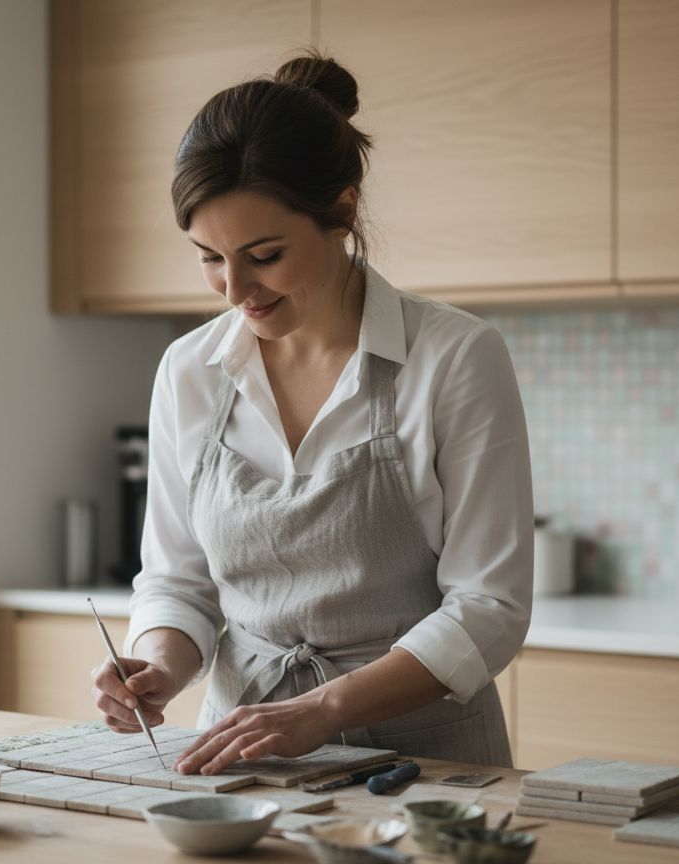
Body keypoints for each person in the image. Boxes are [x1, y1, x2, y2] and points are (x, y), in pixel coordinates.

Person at [91, 53, 533, 777]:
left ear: (343, 211)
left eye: (264, 255)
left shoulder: (454, 357)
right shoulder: (189, 370)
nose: (235, 289)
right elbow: (177, 582)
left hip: (423, 764)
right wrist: (159, 667)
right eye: (209, 258)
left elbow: (489, 607)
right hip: (240, 753)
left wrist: (323, 710)